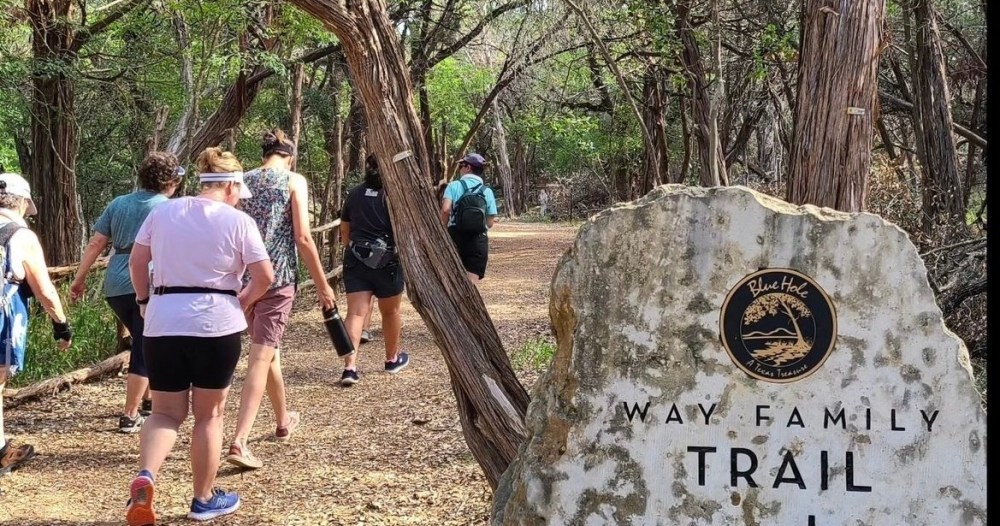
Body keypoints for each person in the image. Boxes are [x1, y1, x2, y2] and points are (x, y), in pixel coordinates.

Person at [124, 148, 274, 525]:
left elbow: (137, 261)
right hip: (216, 323)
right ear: (231, 186)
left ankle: (146, 476)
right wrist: (241, 302)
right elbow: (265, 276)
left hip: (163, 320)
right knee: (209, 415)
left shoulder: (163, 212)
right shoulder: (238, 221)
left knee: (164, 412)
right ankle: (203, 500)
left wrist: (143, 300)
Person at [225, 129, 337, 470]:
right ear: (290, 156)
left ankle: (283, 420)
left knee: (268, 351)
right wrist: (323, 285)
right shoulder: (292, 180)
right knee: (260, 357)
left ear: (264, 154)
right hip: (277, 280)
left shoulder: (241, 181)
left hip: (244, 280)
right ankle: (240, 440)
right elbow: (303, 237)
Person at [70, 152, 184, 434]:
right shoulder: (169, 208)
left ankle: (149, 402)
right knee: (145, 346)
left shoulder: (119, 203)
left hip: (116, 285)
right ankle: (130, 415)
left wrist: (79, 279)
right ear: (170, 181)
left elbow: (96, 243)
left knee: (147, 340)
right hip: (150, 281)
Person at [0, 172, 73, 476]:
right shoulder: (20, 235)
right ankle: (1, 453)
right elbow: (44, 289)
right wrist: (61, 324)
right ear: (20, 203)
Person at [338, 155, 408, 386]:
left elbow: (345, 232)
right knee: (391, 311)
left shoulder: (354, 194)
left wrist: (354, 248)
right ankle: (391, 359)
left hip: (356, 259)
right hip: (388, 262)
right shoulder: (396, 196)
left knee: (356, 313)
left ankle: (350, 367)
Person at [439, 153, 499, 283]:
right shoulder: (487, 191)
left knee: (452, 277)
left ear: (468, 168)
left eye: (461, 165)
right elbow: (490, 223)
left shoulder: (453, 185)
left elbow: (445, 210)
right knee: (472, 279)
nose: (459, 168)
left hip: (455, 235)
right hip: (478, 239)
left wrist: (442, 229)